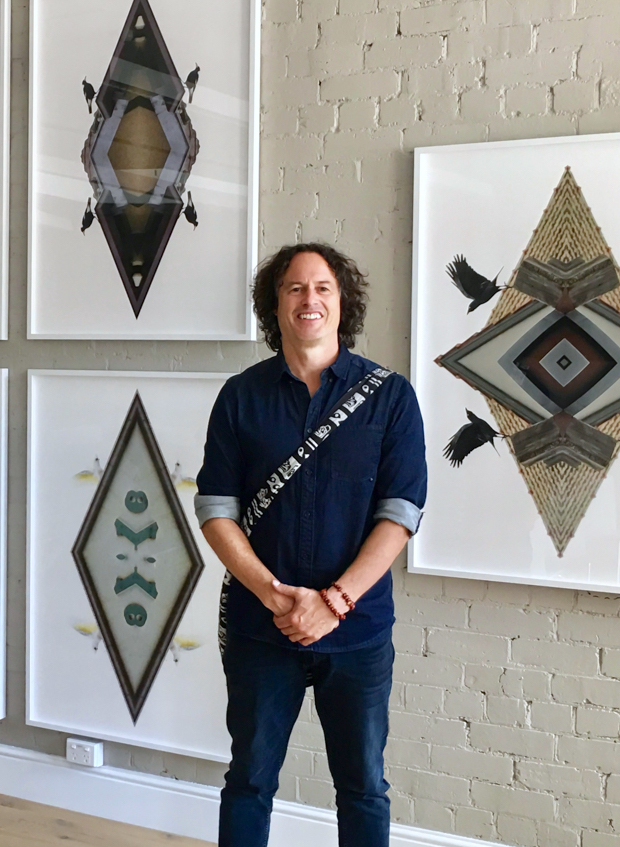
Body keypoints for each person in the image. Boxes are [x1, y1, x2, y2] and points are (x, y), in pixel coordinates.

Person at [195, 243, 427, 847]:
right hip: (260, 628)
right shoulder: (241, 396)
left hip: (357, 632)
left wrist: (335, 602)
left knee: (363, 788)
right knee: (248, 782)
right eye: (294, 287)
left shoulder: (390, 397)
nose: (309, 299)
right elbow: (215, 510)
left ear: (342, 301)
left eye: (323, 287)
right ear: (274, 304)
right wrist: (273, 595)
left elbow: (400, 515)